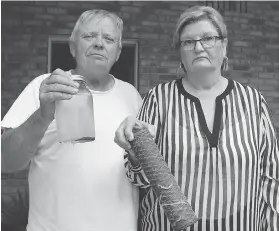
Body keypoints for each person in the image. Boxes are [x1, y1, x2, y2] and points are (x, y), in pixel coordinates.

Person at [115, 5, 279, 231]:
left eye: (208, 38)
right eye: (188, 42)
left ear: (224, 45)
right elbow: (140, 180)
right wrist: (134, 152)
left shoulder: (253, 101)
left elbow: (271, 178)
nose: (198, 47)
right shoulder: (159, 99)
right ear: (180, 51)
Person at [1, 9, 142, 231]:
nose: (99, 43)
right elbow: (5, 161)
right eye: (89, 36)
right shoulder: (44, 87)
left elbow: (141, 168)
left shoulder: (132, 96)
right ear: (72, 46)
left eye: (109, 39)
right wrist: (43, 115)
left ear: (118, 52)